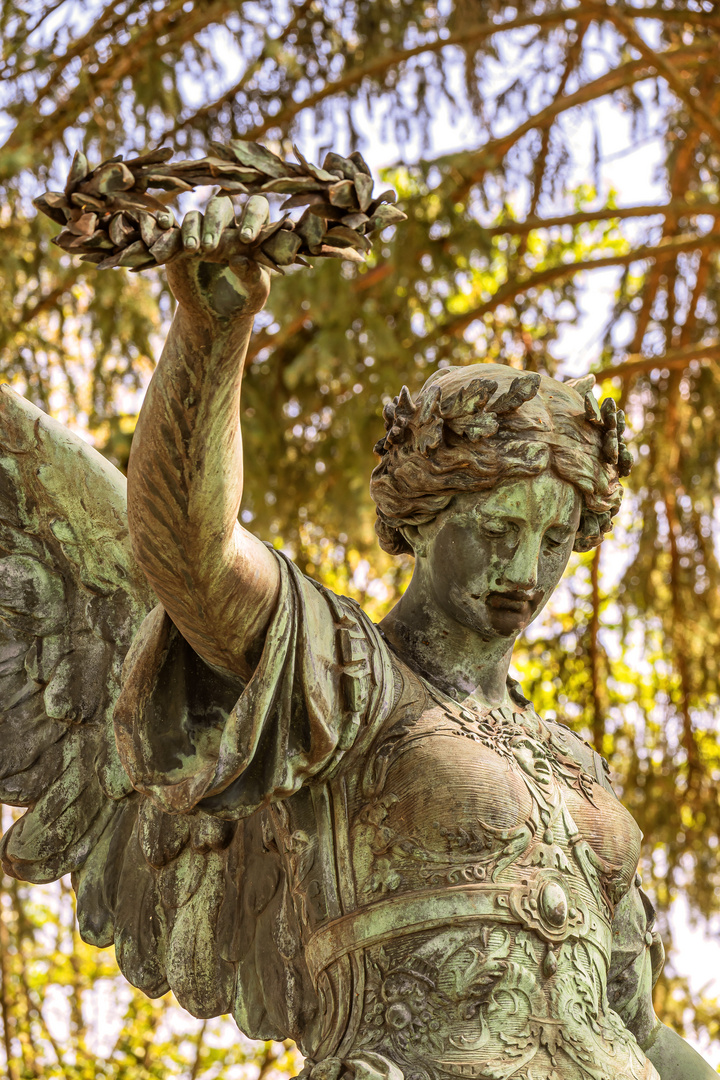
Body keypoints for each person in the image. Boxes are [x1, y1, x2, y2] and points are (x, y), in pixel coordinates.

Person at [3, 193, 713, 1080]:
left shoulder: (573, 768)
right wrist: (213, 334)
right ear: (421, 518)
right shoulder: (343, 676)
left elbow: (637, 1029)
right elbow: (192, 558)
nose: (526, 571)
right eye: (495, 532)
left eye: (556, 539)